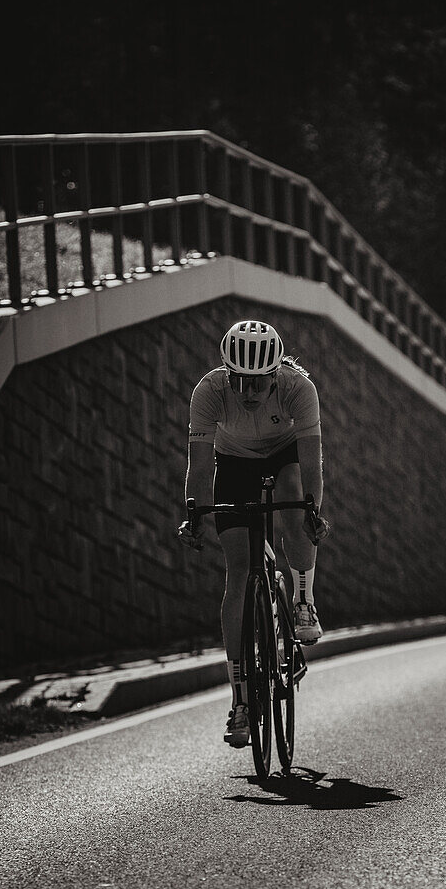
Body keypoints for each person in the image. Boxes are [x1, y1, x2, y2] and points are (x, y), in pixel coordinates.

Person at [177, 319, 330, 748]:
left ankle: (303, 602)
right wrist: (194, 515)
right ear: (226, 373)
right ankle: (241, 701)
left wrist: (313, 511)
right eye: (239, 381)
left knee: (293, 499)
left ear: (275, 376)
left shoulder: (299, 389)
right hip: (234, 466)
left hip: (284, 456)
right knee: (239, 571)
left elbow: (312, 461)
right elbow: (200, 466)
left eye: (258, 384)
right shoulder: (208, 393)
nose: (247, 392)